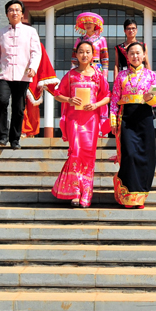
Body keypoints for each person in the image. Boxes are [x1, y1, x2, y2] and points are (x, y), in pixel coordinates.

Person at [52, 40, 110, 207]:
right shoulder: (70, 75)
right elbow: (57, 94)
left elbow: (107, 95)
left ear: (93, 55)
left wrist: (97, 105)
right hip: (74, 120)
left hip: (91, 121)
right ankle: (75, 191)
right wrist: (69, 99)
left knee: (89, 156)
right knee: (75, 152)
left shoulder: (98, 75)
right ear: (76, 55)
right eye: (81, 52)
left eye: (88, 52)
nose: (84, 55)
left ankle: (86, 193)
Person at [111, 42, 156, 209]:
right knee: (129, 155)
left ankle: (140, 197)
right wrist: (113, 120)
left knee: (146, 157)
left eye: (138, 53)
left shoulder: (151, 75)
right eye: (131, 53)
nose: (135, 56)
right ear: (127, 56)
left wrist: (150, 98)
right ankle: (127, 195)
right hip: (126, 118)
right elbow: (114, 99)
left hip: (145, 118)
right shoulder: (121, 76)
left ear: (143, 55)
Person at [0, 0, 41, 150]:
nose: (14, 12)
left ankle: (15, 138)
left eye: (17, 10)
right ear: (7, 14)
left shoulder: (30, 31)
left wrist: (32, 67)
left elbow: (36, 52)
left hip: (22, 75)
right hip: (4, 74)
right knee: (2, 101)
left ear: (22, 13)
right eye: (11, 10)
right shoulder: (0, 33)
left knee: (18, 108)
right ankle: (2, 136)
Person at [72, 12, 109, 134]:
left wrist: (104, 75)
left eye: (91, 22)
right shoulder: (79, 40)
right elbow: (74, 58)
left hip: (97, 70)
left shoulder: (101, 40)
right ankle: (84, 125)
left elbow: (105, 59)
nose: (88, 25)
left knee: (100, 97)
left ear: (95, 24)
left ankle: (100, 128)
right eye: (86, 22)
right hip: (82, 70)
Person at [22, 41, 59, 138]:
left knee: (32, 108)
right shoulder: (13, 40)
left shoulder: (37, 44)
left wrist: (42, 80)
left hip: (33, 78)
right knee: (18, 106)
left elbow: (44, 63)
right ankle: (21, 130)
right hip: (16, 77)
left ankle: (30, 133)